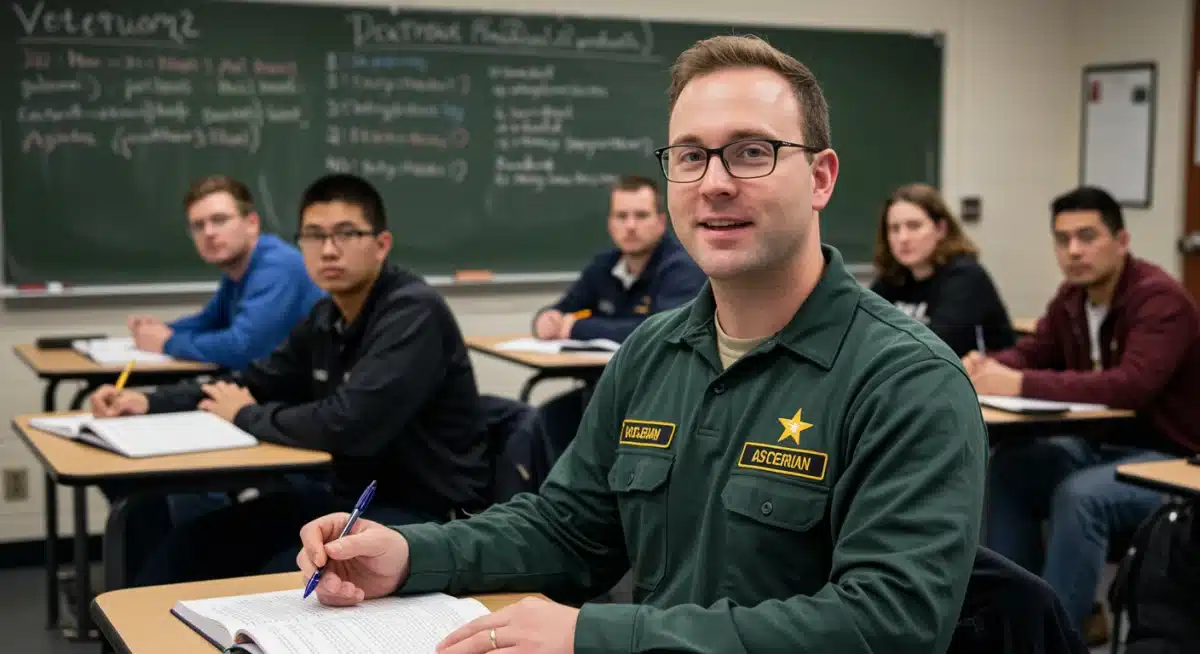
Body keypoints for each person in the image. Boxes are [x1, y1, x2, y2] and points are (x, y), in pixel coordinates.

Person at [296, 35, 988, 654]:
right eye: (690, 156)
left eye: (752, 151)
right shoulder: (654, 353)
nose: (715, 182)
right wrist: (410, 555)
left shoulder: (905, 379)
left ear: (821, 177)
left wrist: (595, 634)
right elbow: (569, 529)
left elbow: (888, 625)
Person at [89, 173, 491, 586]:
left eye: (347, 234)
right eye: (314, 236)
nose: (329, 250)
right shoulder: (326, 316)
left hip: (421, 514)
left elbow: (345, 425)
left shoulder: (411, 313)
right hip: (344, 498)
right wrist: (150, 402)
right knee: (186, 549)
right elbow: (257, 380)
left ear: (381, 245)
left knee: (269, 583)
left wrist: (244, 415)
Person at [963, 185, 1200, 639]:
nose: (1074, 251)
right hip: (1099, 449)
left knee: (1080, 496)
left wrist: (1019, 382)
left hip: (1167, 461)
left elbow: (1130, 386)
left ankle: (1058, 639)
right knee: (1011, 469)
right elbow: (1035, 351)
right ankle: (1008, 629)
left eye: (1087, 236)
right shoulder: (1072, 299)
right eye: (1063, 239)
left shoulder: (1160, 300)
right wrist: (988, 366)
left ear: (1122, 240)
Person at [128, 175, 325, 371]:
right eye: (198, 226)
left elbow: (244, 348)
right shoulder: (236, 268)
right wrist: (159, 330)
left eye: (219, 220)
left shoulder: (278, 266)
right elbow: (211, 321)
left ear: (252, 224)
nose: (209, 233)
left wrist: (167, 342)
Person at [532, 175, 706, 343]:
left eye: (641, 215)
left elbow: (662, 332)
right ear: (610, 224)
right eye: (621, 216)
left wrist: (577, 328)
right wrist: (547, 319)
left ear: (661, 222)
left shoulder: (683, 267)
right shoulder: (603, 264)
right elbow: (564, 308)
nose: (630, 226)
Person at [870, 183, 1016, 357]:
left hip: (972, 379)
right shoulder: (893, 278)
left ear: (940, 229)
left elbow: (934, 348)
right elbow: (858, 330)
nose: (903, 238)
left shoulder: (966, 277)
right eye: (894, 229)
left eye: (914, 226)